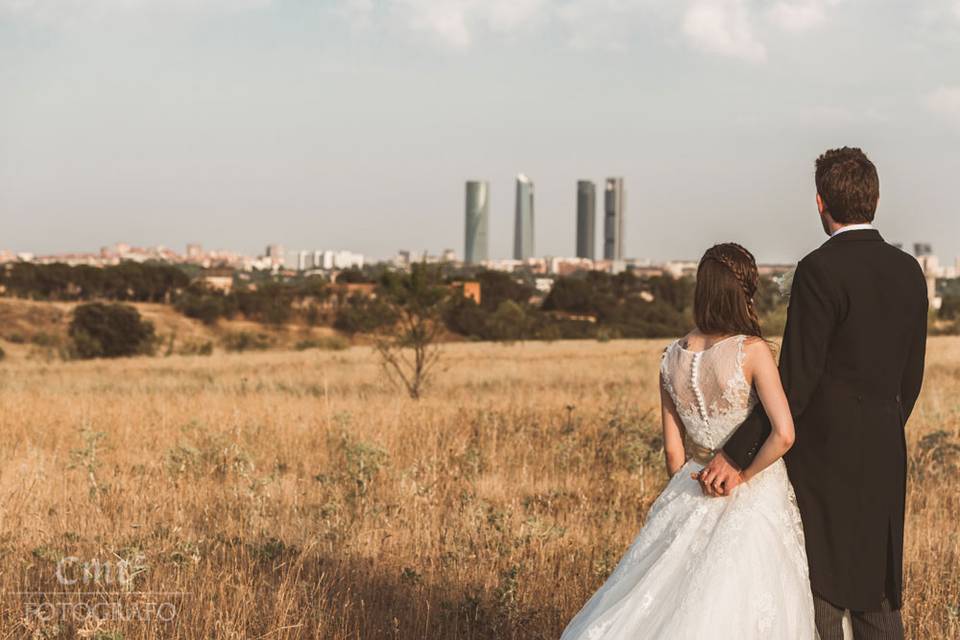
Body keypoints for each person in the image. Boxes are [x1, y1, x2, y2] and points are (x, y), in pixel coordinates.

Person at [698, 147, 928, 640]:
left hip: (821, 457)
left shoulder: (818, 271)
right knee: (878, 588)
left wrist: (736, 455)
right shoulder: (910, 271)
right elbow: (911, 379)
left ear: (820, 202)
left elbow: (796, 381)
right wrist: (879, 424)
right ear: (876, 199)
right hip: (886, 447)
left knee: (818, 585)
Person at [560, 242, 817, 639]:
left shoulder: (670, 358)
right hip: (752, 493)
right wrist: (742, 475)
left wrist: (689, 490)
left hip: (690, 486)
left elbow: (673, 450)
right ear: (742, 292)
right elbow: (784, 434)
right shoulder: (752, 352)